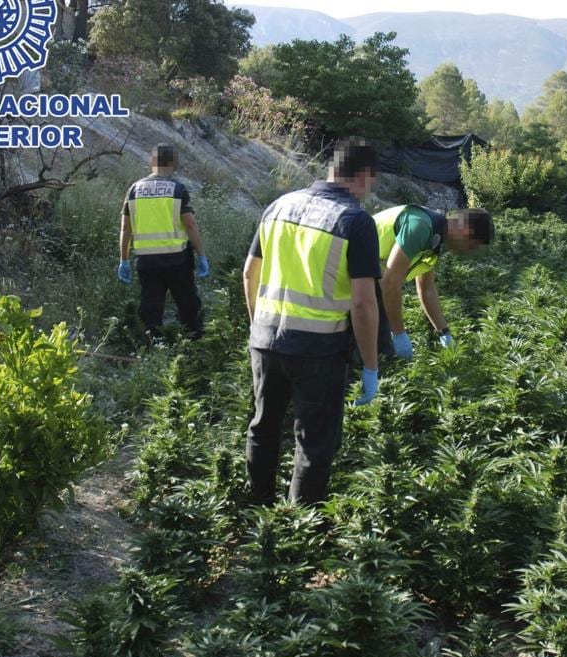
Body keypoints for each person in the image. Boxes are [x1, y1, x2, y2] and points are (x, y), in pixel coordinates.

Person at [243, 139, 381, 505]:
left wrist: (258, 327)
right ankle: (297, 530)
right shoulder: (354, 220)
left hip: (266, 338)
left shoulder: (279, 206)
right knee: (314, 443)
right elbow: (364, 304)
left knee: (263, 427)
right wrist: (370, 365)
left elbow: (248, 274)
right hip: (319, 350)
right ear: (365, 176)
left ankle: (259, 509)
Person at [374, 205, 494, 359]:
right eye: (472, 246)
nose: (468, 252)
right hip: (346, 266)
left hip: (366, 274)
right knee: (378, 349)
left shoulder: (435, 237)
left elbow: (426, 290)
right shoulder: (421, 227)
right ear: (466, 231)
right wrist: (399, 334)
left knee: (380, 346)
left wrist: (444, 334)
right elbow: (390, 283)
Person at [117, 144, 210, 338]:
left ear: (152, 161)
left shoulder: (134, 189)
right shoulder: (177, 189)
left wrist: (123, 259)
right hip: (177, 260)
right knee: (187, 304)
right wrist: (201, 255)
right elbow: (190, 225)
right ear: (174, 163)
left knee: (151, 307)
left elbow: (126, 228)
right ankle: (193, 345)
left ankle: (153, 346)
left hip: (147, 261)